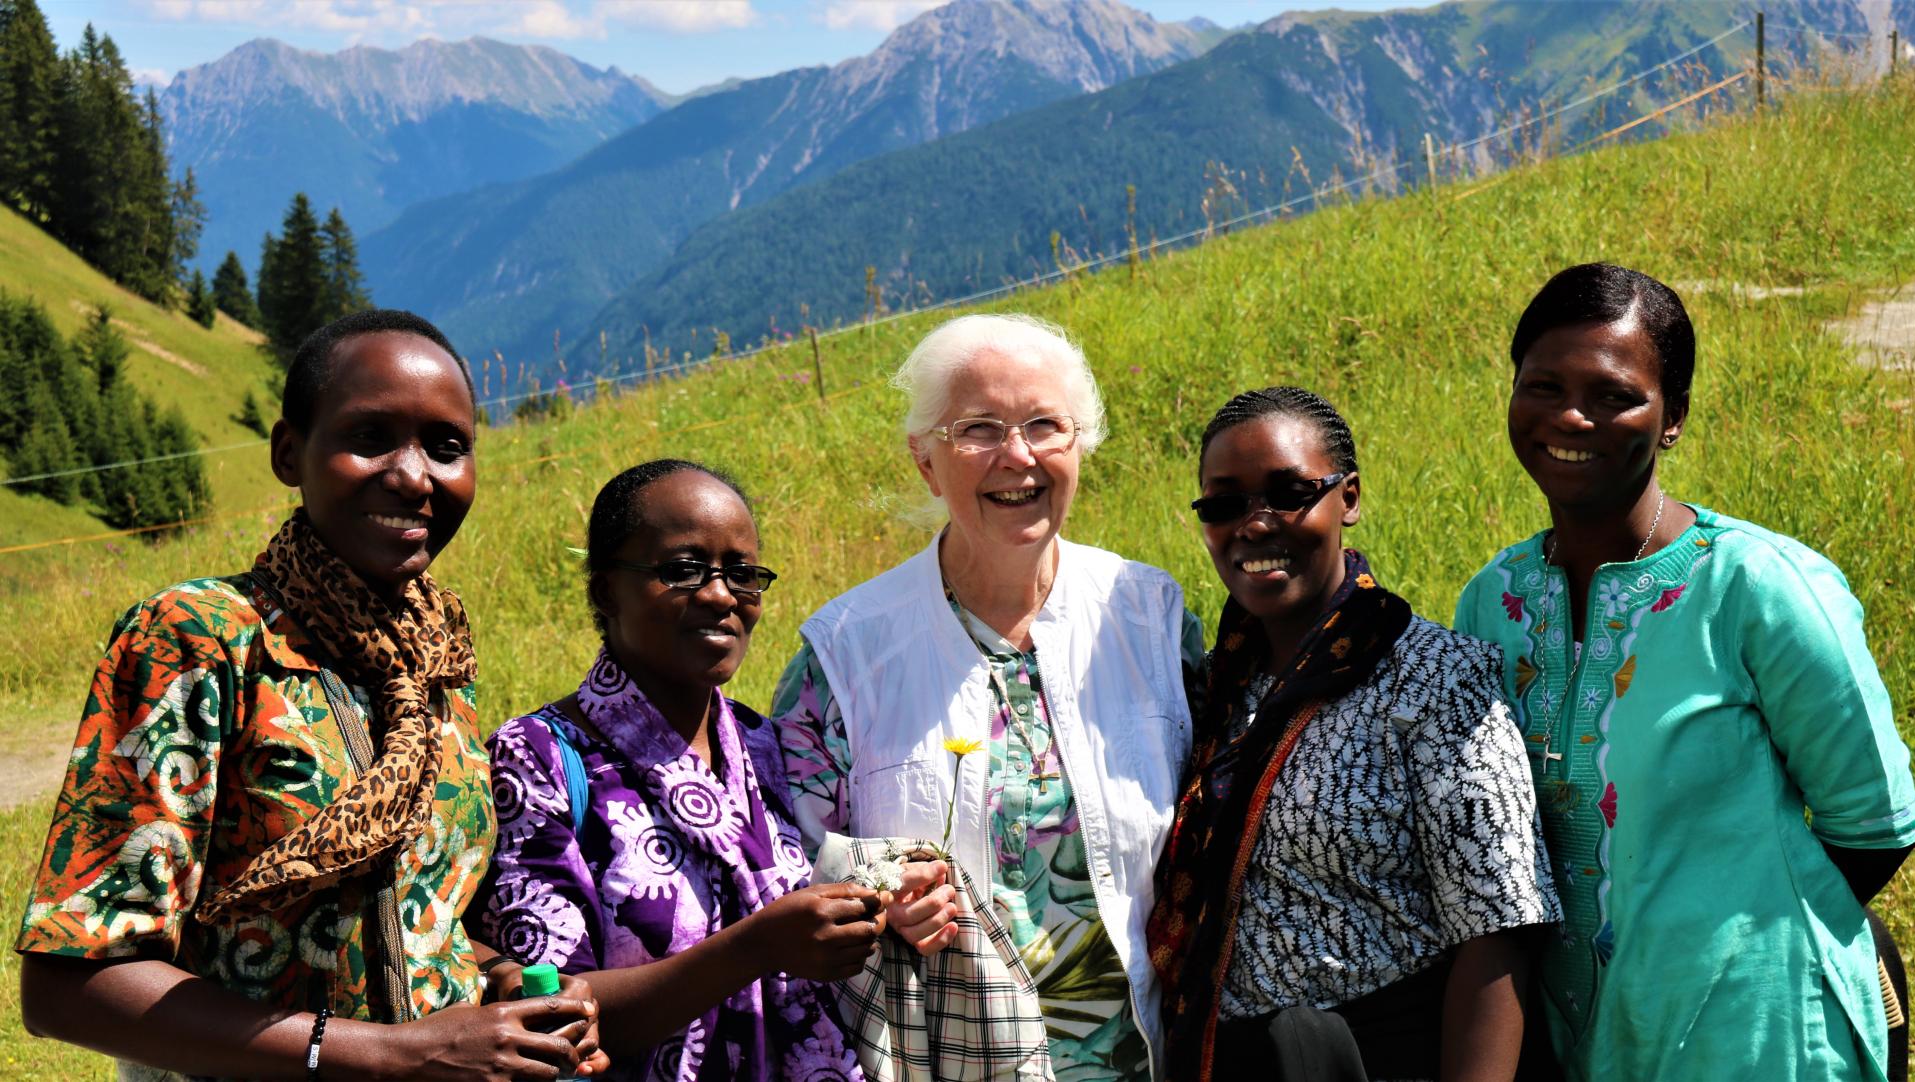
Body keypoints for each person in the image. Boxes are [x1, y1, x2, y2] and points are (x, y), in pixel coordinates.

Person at [17, 309, 606, 1080]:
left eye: (446, 446)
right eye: (370, 438)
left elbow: (423, 920)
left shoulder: (436, 670)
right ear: (289, 453)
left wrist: (502, 985)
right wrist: (392, 1054)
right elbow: (70, 984)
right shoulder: (200, 640)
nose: (413, 474)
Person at [1454, 263, 1915, 1080]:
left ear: (1673, 417)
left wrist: (1731, 942)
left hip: (1759, 1039)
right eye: (1544, 385)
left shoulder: (1760, 588)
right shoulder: (1492, 602)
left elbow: (1874, 827)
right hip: (1575, 1044)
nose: (1571, 415)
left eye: (1614, 395)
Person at [776, 313, 1202, 1079]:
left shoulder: (1153, 620)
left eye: (1045, 425)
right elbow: (785, 869)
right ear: (927, 463)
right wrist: (878, 902)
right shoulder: (844, 654)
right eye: (978, 428)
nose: (1017, 456)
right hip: (944, 1059)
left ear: (1081, 445)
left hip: (1144, 1058)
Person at [1148, 387, 1560, 1082]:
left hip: (1387, 1057)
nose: (1255, 524)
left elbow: (1500, 933)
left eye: (1289, 494)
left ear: (1350, 497)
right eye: (1225, 503)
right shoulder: (1212, 690)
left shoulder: (1433, 679)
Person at [473, 458, 882, 1081]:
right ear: (606, 589)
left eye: (742, 574)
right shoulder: (539, 759)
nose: (721, 595)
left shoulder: (769, 746)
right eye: (683, 570)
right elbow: (549, 1010)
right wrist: (757, 948)